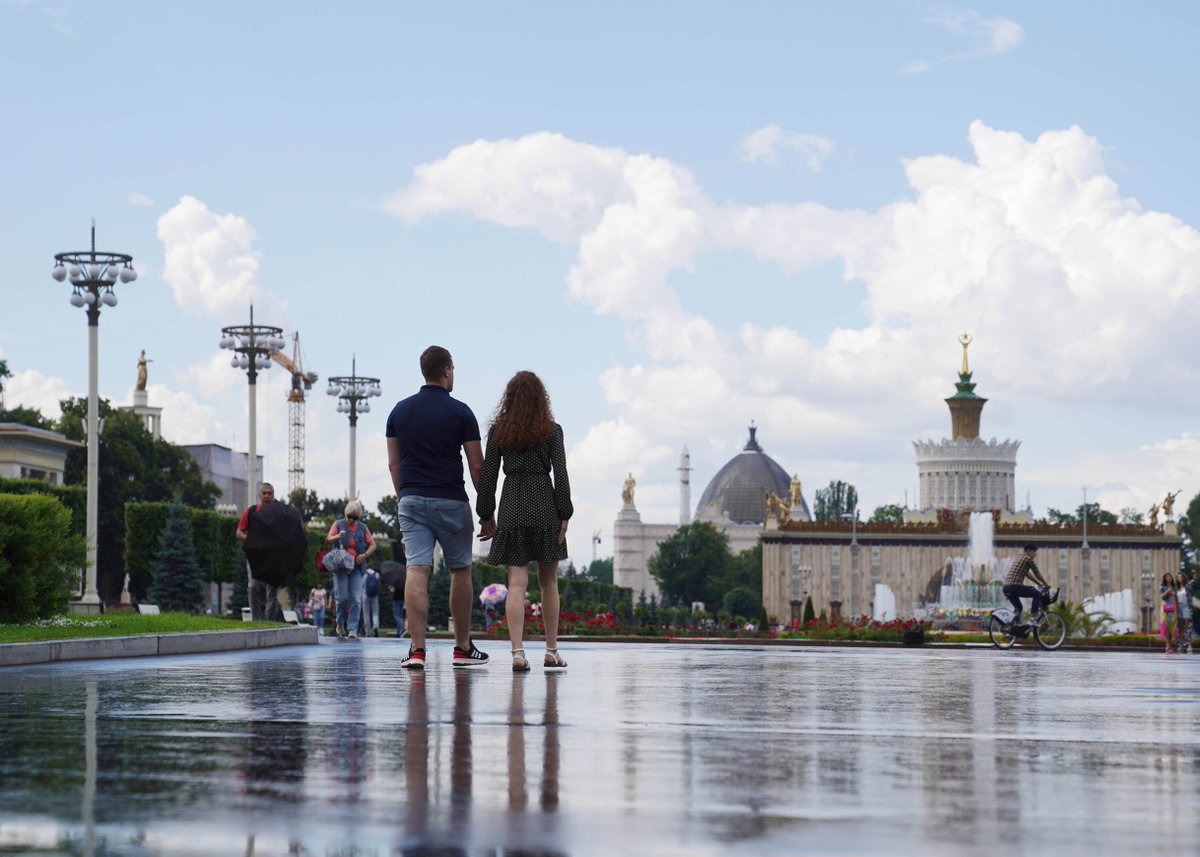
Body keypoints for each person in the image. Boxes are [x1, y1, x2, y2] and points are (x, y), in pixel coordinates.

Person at [386, 345, 489, 670]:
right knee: (460, 569)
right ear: (446, 370)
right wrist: (487, 511)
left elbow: (393, 464)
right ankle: (461, 647)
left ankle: (417, 650)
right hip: (451, 500)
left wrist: (405, 497)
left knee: (417, 568)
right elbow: (477, 467)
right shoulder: (461, 412)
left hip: (412, 499)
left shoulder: (398, 412)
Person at [476, 370, 573, 673]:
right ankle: (551, 650)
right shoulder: (552, 431)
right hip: (544, 505)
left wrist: (486, 515)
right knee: (549, 582)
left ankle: (518, 652)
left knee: (516, 584)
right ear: (540, 399)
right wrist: (564, 512)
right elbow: (561, 474)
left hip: (513, 505)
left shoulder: (499, 432)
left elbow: (488, 477)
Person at [324, 499, 376, 640]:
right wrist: (337, 536)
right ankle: (340, 623)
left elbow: (372, 544)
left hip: (357, 568)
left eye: (355, 517)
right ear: (345, 514)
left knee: (355, 598)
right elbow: (328, 539)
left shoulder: (363, 528)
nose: (352, 520)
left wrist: (364, 555)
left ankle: (352, 628)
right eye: (349, 517)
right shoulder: (338, 524)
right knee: (342, 598)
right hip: (341, 567)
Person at [237, 483, 283, 621]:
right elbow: (239, 532)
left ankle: (269, 620)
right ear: (259, 496)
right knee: (253, 586)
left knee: (272, 590)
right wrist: (251, 539)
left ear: (273, 496)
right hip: (254, 557)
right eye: (264, 493)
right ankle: (256, 619)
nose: (267, 496)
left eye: (270, 493)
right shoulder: (251, 512)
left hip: (273, 557)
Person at [1001, 544, 1051, 628]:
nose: (1035, 555)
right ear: (1028, 551)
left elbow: (1027, 574)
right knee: (1037, 594)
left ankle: (1013, 628)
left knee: (1019, 608)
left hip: (1006, 588)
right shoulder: (1028, 559)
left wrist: (1038, 583)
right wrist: (1046, 585)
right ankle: (1032, 618)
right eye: (1034, 552)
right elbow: (1036, 573)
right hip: (1015, 586)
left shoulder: (1019, 558)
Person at [1173, 572, 1192, 655]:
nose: (1179, 578)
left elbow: (1193, 581)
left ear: (1184, 578)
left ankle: (1189, 645)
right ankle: (1180, 645)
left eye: (1181, 577)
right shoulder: (1176, 588)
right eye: (1178, 577)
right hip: (1179, 607)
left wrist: (1194, 575)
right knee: (1180, 628)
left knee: (1187, 627)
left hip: (1186, 606)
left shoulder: (1187, 586)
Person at [1160, 572, 1177, 654]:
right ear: (1165, 579)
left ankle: (1172, 645)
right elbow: (1162, 597)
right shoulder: (1162, 587)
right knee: (1165, 626)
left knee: (1172, 628)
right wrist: (1167, 591)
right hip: (1165, 608)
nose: (1168, 578)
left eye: (1169, 577)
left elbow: (1176, 597)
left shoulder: (1175, 587)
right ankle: (1167, 646)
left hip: (1174, 608)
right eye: (1166, 577)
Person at [362, 565, 381, 637]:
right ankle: (375, 627)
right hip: (374, 595)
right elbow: (379, 586)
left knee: (366, 614)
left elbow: (362, 585)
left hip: (365, 595)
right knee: (375, 613)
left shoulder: (364, 574)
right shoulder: (377, 574)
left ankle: (368, 632)